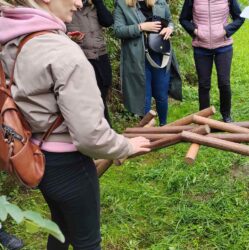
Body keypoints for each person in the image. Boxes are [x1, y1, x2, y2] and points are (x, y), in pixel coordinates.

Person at [0, 0, 150, 249]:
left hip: (38, 157)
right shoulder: (61, 51)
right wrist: (125, 146)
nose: (79, 3)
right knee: (88, 242)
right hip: (70, 166)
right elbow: (90, 134)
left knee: (61, 228)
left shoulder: (14, 39)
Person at [114, 0, 182, 126]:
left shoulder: (160, 2)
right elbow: (118, 30)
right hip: (138, 60)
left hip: (160, 56)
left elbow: (170, 20)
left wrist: (170, 28)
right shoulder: (123, 4)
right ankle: (147, 132)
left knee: (161, 94)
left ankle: (163, 127)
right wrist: (140, 27)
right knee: (144, 96)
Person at [179, 0, 245, 123]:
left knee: (224, 83)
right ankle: (204, 117)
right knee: (204, 84)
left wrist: (226, 30)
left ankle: (226, 115)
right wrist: (196, 31)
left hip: (223, 46)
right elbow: (183, 19)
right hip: (201, 47)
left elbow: (240, 18)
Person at [66, 0, 114, 125]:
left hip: (101, 56)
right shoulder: (67, 8)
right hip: (83, 59)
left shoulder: (95, 6)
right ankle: (98, 131)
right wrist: (69, 37)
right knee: (90, 100)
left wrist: (98, 3)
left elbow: (108, 21)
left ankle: (107, 130)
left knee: (102, 96)